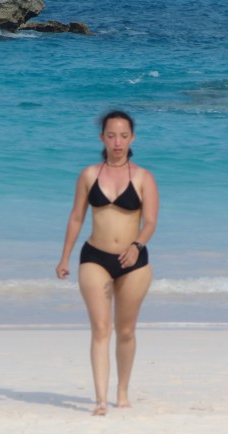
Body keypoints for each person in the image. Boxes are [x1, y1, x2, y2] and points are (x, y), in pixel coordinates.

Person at [56, 110, 159, 415]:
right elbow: (76, 218)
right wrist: (64, 257)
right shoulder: (89, 175)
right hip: (95, 257)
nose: (117, 142)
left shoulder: (143, 177)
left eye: (123, 136)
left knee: (125, 330)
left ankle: (122, 391)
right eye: (111, 135)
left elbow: (150, 222)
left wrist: (137, 245)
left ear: (132, 138)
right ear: (102, 138)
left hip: (133, 262)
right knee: (101, 328)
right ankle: (101, 399)